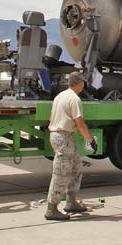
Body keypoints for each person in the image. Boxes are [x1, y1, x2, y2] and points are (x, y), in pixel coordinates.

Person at [45, 71, 97, 221]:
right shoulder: (74, 99)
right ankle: (52, 208)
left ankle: (71, 201)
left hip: (63, 135)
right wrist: (90, 140)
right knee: (61, 172)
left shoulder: (61, 95)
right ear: (80, 83)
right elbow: (80, 123)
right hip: (64, 136)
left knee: (75, 168)